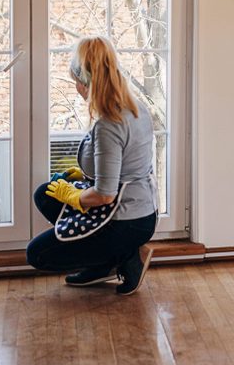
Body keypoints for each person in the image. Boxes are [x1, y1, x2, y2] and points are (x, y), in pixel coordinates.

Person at [27, 36, 158, 294]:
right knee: (46, 194)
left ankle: (122, 258)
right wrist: (84, 175)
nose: (75, 87)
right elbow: (122, 165)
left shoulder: (110, 123)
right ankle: (106, 260)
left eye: (76, 81)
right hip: (142, 210)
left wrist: (75, 197)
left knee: (37, 255)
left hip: (126, 219)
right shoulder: (134, 105)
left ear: (86, 83)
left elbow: (105, 194)